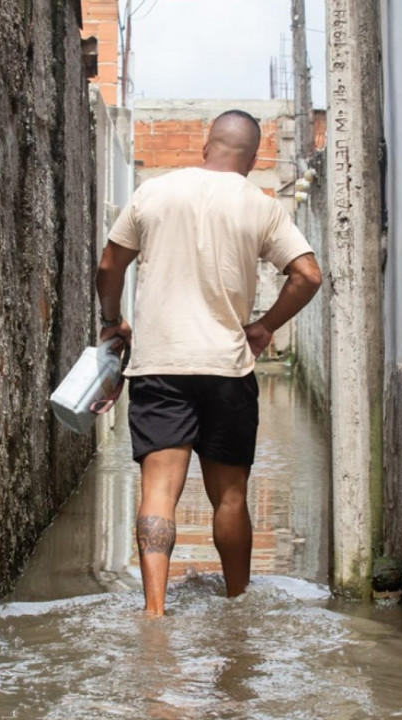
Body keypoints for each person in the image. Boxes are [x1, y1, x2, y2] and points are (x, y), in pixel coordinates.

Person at [95, 109, 322, 616]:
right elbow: (307, 275)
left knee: (158, 490)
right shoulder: (260, 206)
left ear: (205, 146)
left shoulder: (154, 191)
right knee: (231, 496)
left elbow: (110, 263)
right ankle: (237, 604)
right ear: (255, 157)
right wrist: (264, 327)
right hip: (227, 367)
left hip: (160, 364)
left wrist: (113, 321)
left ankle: (154, 612)